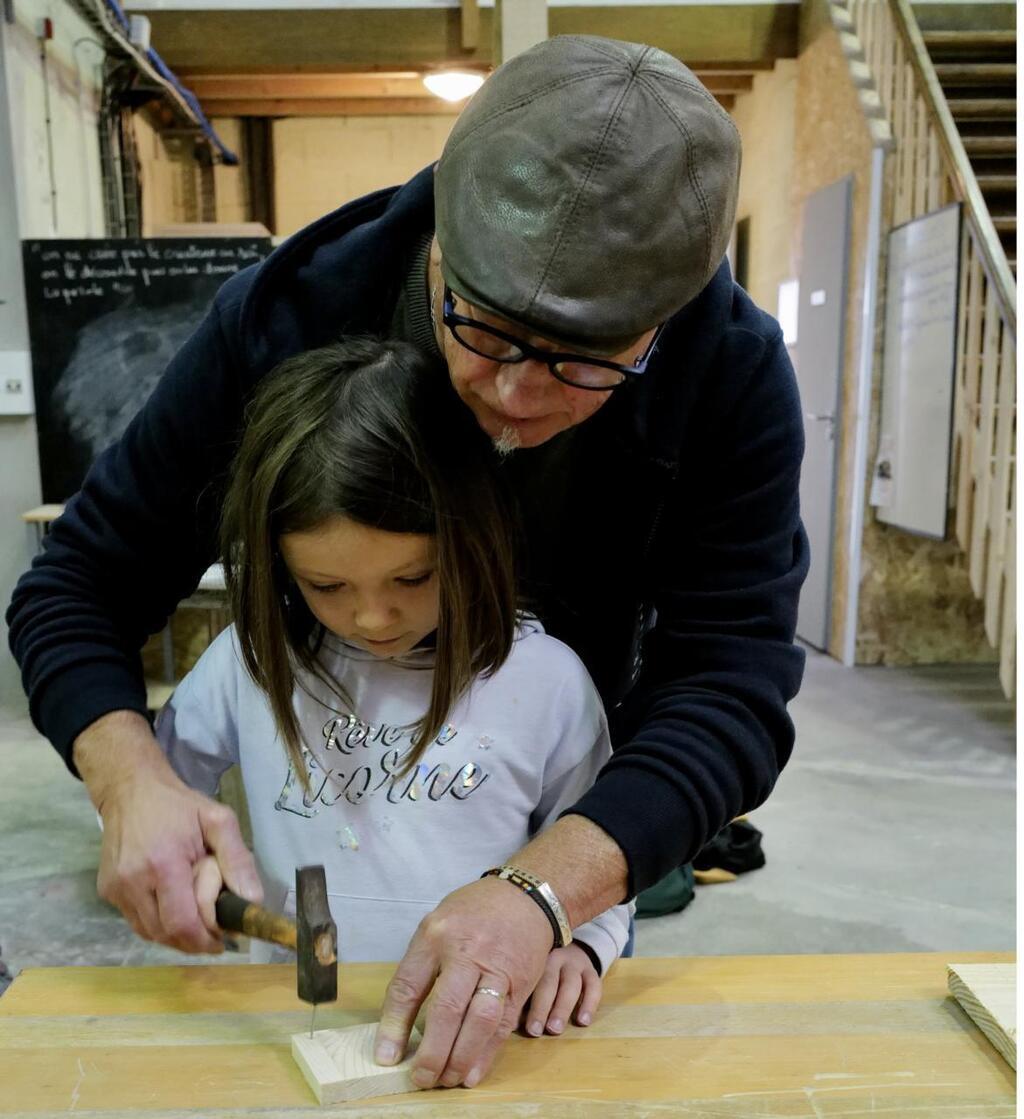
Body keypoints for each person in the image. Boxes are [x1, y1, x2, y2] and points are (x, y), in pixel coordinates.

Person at [7, 35, 808, 1090]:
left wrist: (548, 895)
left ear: (663, 319)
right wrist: (131, 783)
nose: (516, 402)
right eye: (483, 332)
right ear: (438, 245)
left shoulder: (730, 373)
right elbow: (78, 583)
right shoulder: (288, 313)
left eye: (584, 361)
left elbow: (731, 684)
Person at [155, 338, 631, 1042]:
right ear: (282, 564)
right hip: (297, 1020)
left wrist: (581, 941)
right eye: (327, 586)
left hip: (482, 1021)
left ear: (471, 537)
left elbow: (604, 855)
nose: (373, 617)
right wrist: (180, 860)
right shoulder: (249, 662)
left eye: (412, 577)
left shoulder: (547, 679)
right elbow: (156, 802)